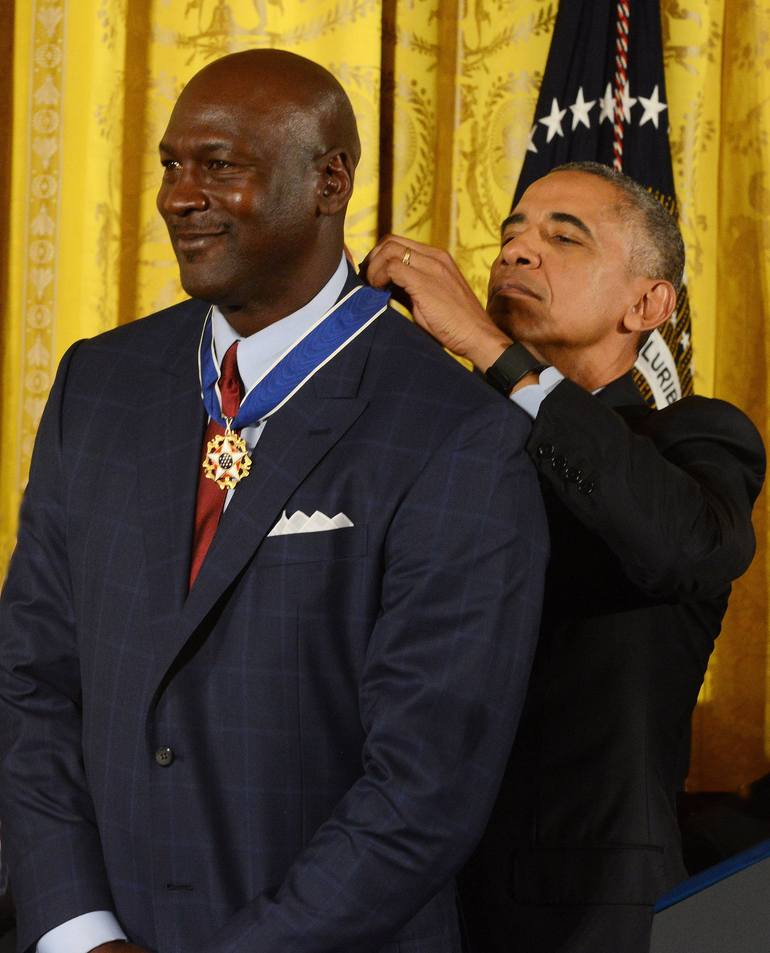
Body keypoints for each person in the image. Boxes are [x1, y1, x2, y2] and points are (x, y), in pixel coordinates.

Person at [0, 51, 550, 953]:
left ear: (329, 179)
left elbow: (424, 788)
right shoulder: (97, 382)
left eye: (220, 166)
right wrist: (79, 931)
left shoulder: (455, 430)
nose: (180, 195)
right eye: (171, 165)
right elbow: (30, 681)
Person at [364, 161, 766, 953]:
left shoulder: (693, 440)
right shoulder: (438, 443)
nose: (516, 250)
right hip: (401, 896)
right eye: (511, 231)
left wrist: (486, 343)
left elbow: (685, 545)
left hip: (584, 915)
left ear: (647, 303)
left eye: (562, 236)